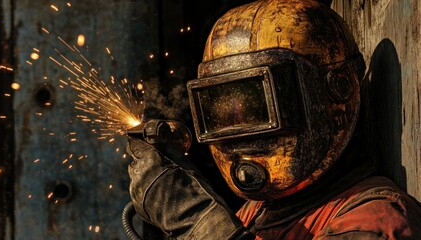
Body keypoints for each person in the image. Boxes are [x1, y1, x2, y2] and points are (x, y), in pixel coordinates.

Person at [127, 0, 421, 239]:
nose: (241, 133)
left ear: (336, 89)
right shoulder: (254, 214)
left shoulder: (376, 220)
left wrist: (194, 220)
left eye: (255, 107)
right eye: (226, 113)